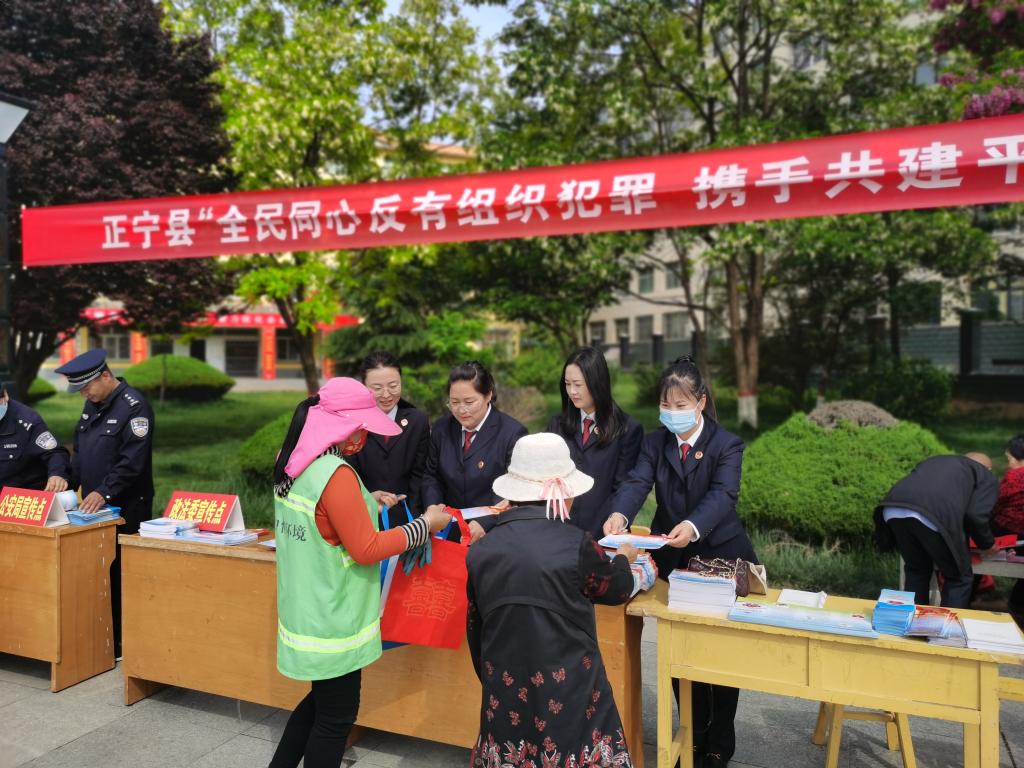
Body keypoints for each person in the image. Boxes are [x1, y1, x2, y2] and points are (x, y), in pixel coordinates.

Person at [269, 377, 452, 768]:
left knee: (320, 703)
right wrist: (425, 525)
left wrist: (364, 501)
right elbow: (367, 549)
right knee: (336, 717)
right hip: (335, 617)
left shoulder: (293, 460)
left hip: (305, 608)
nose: (363, 436)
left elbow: (321, 520)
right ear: (342, 425)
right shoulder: (335, 474)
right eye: (361, 427)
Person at [605, 355, 756, 768]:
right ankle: (691, 732)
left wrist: (692, 525)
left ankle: (720, 739)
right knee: (677, 648)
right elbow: (637, 481)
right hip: (674, 557)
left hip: (720, 557)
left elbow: (724, 495)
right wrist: (620, 512)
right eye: (665, 405)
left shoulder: (726, 444)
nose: (672, 413)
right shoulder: (655, 443)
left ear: (700, 402)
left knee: (717, 651)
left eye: (680, 405)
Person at [467, 432, 640, 768]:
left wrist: (494, 676)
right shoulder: (577, 545)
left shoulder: (480, 550)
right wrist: (623, 558)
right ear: (563, 494)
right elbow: (617, 590)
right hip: (569, 685)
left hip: (504, 684)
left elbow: (475, 628)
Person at [55, 348, 155, 657]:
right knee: (97, 568)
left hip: (127, 504)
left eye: (86, 387)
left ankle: (123, 639)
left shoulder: (135, 407)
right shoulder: (93, 404)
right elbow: (82, 450)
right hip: (95, 507)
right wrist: (68, 484)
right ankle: (102, 632)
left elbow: (132, 462)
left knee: (120, 571)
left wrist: (103, 492)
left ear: (106, 376)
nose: (84, 394)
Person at [875, 452, 1000, 609]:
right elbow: (975, 515)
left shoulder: (938, 460)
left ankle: (913, 620)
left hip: (892, 508)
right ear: (988, 469)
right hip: (931, 514)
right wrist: (987, 544)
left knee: (917, 570)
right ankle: (945, 624)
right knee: (958, 577)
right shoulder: (985, 475)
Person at [421, 361, 527, 542]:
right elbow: (431, 475)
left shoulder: (512, 433)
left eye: (469, 402)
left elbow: (515, 486)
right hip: (448, 530)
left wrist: (486, 521)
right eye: (454, 402)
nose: (461, 410)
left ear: (488, 395)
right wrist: (433, 507)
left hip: (493, 533)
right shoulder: (442, 428)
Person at [546, 346, 643, 539]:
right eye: (567, 384)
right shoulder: (557, 424)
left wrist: (605, 529)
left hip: (603, 533)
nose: (572, 391)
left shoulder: (627, 429)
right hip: (558, 534)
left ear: (597, 383)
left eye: (578, 384)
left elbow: (624, 488)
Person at [345, 351, 430, 523]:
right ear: (364, 387)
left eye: (393, 385)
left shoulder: (417, 420)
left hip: (407, 517)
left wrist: (415, 520)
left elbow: (419, 475)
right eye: (377, 388)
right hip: (364, 515)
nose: (386, 394)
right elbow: (349, 475)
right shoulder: (352, 422)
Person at [0, 385, 71, 492]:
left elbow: (54, 452)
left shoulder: (26, 420)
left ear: (5, 395)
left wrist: (57, 474)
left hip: (22, 495)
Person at [994, 435, 1024, 536]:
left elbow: (998, 501)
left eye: (1009, 459)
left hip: (1012, 527)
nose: (1008, 465)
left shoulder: (1014, 476)